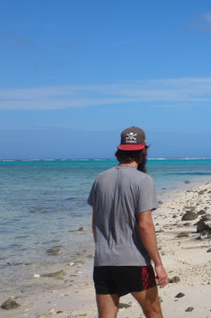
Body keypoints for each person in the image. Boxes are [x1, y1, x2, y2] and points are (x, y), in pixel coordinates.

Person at [88, 126, 168, 318]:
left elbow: (95, 223)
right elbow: (145, 225)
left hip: (103, 263)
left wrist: (105, 249)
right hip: (134, 263)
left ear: (120, 150)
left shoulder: (100, 179)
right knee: (153, 313)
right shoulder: (143, 181)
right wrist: (158, 263)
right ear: (143, 151)